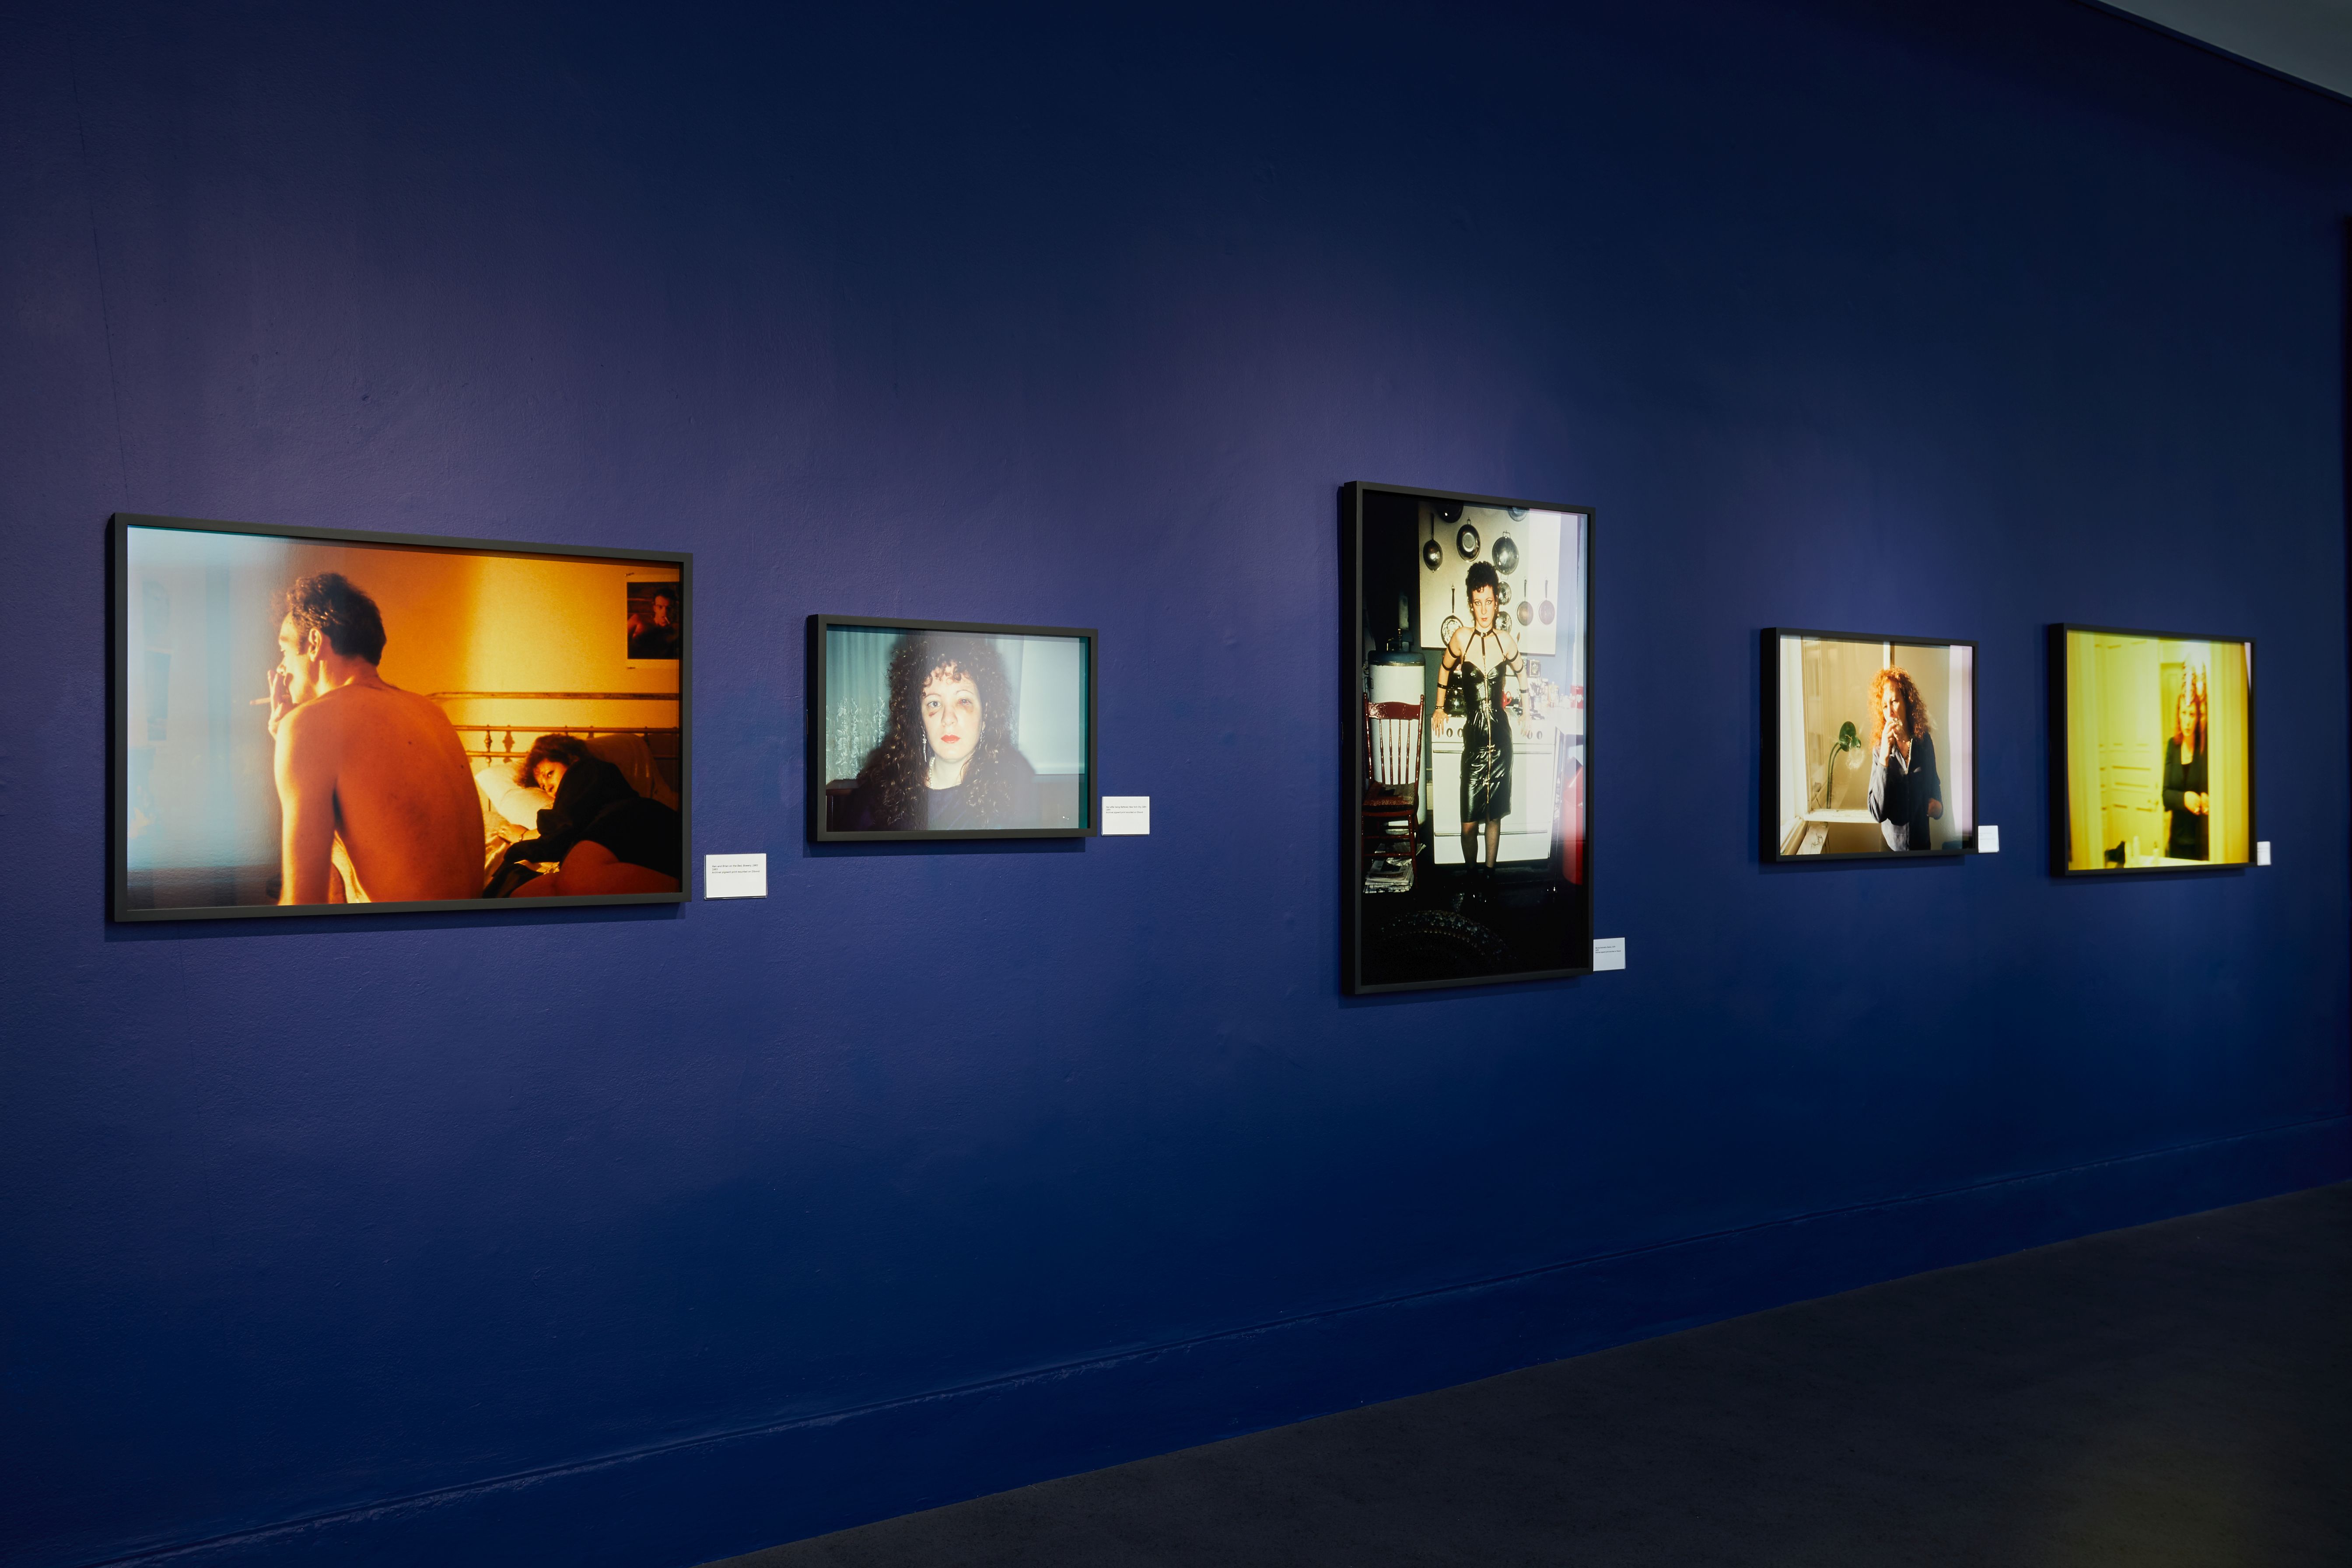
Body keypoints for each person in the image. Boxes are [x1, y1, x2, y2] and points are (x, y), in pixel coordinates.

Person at [263, 572, 482, 903]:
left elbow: (302, 906)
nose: (281, 669)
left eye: (284, 650)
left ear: (314, 645)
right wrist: (284, 733)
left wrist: (291, 733)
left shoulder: (310, 725)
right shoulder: (431, 711)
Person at [836, 634, 1039, 830]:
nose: (948, 718)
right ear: (920, 720)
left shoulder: (1014, 793)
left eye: (963, 701)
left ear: (986, 716)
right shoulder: (877, 796)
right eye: (934, 703)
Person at [493, 733, 682, 896]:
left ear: (572, 759)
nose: (547, 787)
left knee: (579, 881)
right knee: (524, 894)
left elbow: (563, 825)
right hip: (615, 838)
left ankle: (689, 894)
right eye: (542, 786)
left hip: (635, 819)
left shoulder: (585, 769)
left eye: (549, 774)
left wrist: (522, 836)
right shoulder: (580, 809)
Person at [1434, 561, 1522, 871]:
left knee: (1494, 817)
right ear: (1471, 605)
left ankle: (1488, 876)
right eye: (1477, 603)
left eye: (1489, 602)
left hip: (1501, 745)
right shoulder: (1461, 638)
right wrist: (1439, 707)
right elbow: (1444, 668)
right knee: (1469, 826)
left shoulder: (1506, 640)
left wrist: (1524, 703)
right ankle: (1472, 876)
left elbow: (1521, 670)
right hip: (1473, 747)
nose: (1483, 610)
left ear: (1496, 602)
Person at [1865, 665, 1943, 851]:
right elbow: (1876, 813)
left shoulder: (1924, 743)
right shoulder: (1879, 749)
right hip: (1891, 849)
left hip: (1922, 846)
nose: (1890, 712)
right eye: (1885, 706)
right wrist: (1884, 756)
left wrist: (1939, 809)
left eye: (1894, 702)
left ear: (1907, 702)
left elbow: (1935, 790)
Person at [2163, 668, 2209, 861]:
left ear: (2198, 717)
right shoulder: (2172, 746)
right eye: (2184, 713)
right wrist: (2185, 799)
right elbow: (2166, 797)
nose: (2187, 721)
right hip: (2176, 840)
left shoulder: (2205, 749)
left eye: (2192, 714)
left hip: (2200, 841)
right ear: (2178, 714)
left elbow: (2210, 789)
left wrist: (2207, 797)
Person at [627, 588, 682, 659]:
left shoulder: (676, 631)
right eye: (660, 607)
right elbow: (619, 643)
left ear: (674, 609)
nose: (664, 613)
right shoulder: (638, 620)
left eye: (669, 608)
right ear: (655, 608)